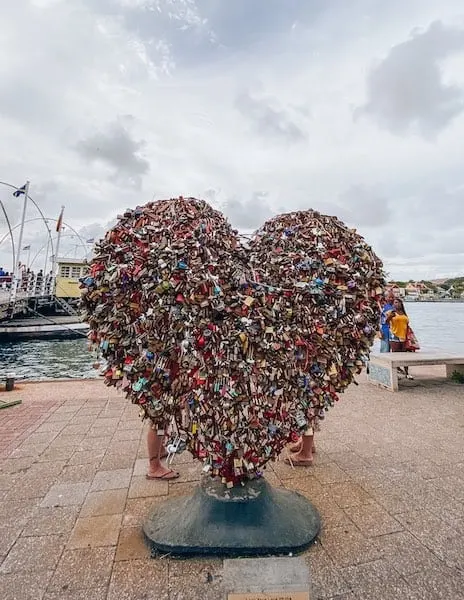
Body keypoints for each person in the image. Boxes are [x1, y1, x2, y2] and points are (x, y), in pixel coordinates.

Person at [386, 298, 414, 380]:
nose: (396, 304)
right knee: (395, 355)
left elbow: (407, 323)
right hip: (394, 336)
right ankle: (396, 373)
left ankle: (407, 373)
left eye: (398, 302)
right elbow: (386, 322)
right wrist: (390, 317)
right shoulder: (391, 313)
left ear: (401, 304)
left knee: (405, 356)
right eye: (395, 303)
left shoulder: (404, 313)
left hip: (404, 336)